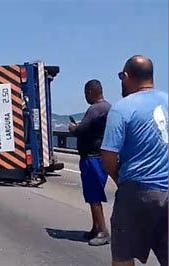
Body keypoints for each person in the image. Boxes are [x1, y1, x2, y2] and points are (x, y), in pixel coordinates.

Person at [100, 55, 168, 266]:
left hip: (138, 193)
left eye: (121, 76)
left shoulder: (123, 108)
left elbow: (108, 156)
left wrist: (121, 179)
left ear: (127, 76)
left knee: (123, 256)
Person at [68, 79, 111, 246]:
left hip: (92, 158)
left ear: (91, 92)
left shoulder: (95, 109)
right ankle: (95, 227)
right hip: (100, 155)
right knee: (93, 194)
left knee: (94, 195)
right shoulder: (107, 108)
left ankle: (102, 231)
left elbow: (80, 130)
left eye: (86, 93)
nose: (85, 97)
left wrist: (72, 127)